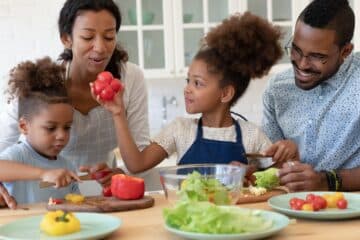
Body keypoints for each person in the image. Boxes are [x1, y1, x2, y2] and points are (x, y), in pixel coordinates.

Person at [92, 12, 299, 174]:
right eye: (188, 80)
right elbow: (136, 164)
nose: (187, 88)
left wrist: (259, 171)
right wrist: (118, 113)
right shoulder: (179, 130)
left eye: (198, 83)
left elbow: (277, 178)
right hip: (188, 222)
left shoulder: (252, 136)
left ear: (225, 93)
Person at [0, 0, 149, 207]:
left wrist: (122, 175)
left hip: (102, 195)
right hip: (45, 194)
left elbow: (140, 155)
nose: (100, 47)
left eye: (109, 37)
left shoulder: (131, 78)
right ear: (66, 39)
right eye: (88, 37)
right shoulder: (43, 85)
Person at [262, 0, 360, 191]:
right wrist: (277, 161)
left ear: (345, 51)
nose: (302, 64)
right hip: (292, 209)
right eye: (296, 50)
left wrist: (327, 181)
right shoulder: (277, 90)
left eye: (317, 56)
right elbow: (271, 166)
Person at [0, 57, 81, 204]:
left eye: (67, 127)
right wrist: (43, 173)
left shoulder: (67, 166)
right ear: (24, 126)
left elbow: (75, 203)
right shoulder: (20, 155)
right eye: (51, 128)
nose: (62, 135)